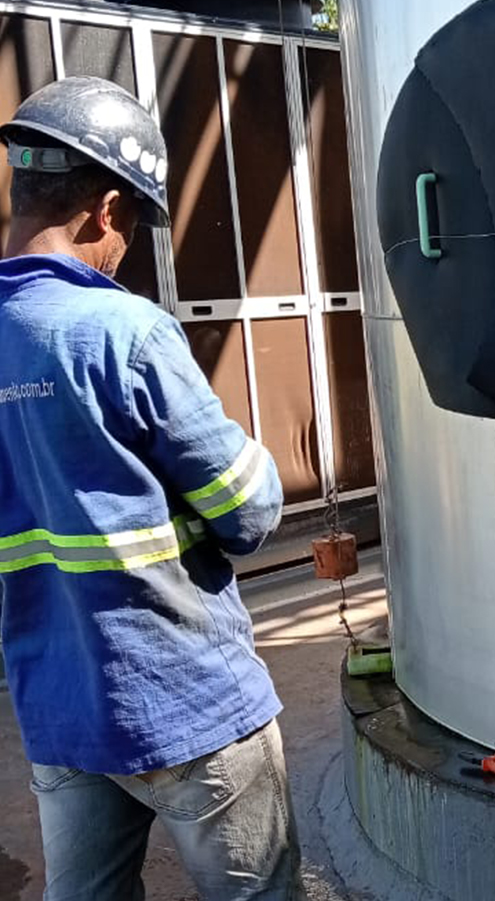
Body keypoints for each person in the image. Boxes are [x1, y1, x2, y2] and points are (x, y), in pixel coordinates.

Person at [0, 76, 303, 899]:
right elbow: (250, 510)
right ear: (104, 210)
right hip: (185, 700)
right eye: (132, 221)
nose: (126, 246)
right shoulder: (124, 332)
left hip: (59, 709)